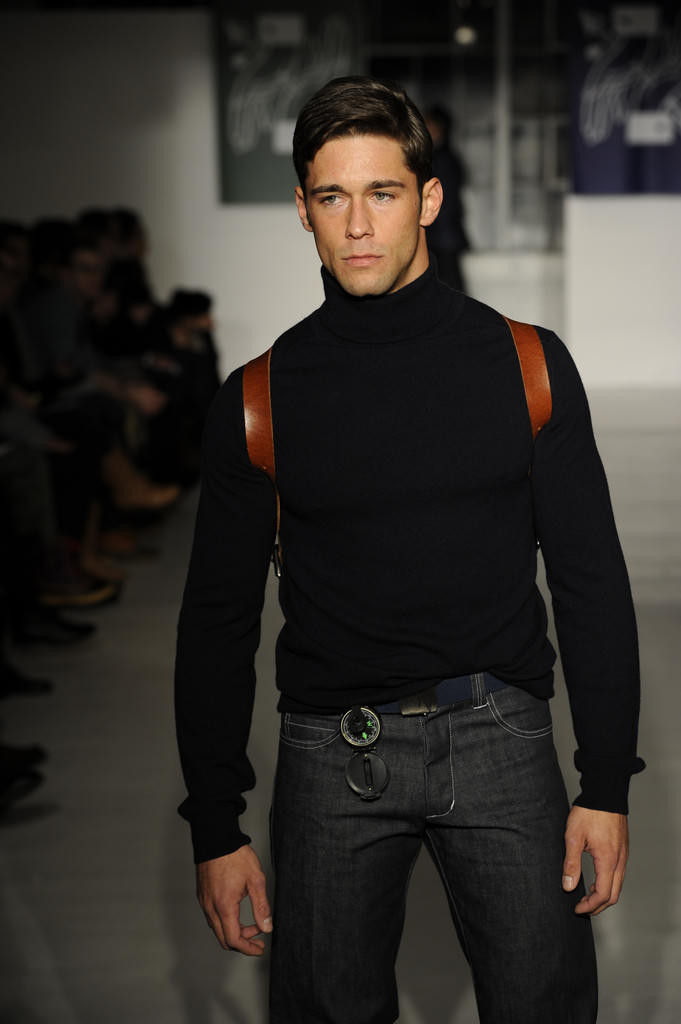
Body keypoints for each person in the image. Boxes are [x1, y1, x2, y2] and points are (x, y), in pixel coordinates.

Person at [175, 76, 644, 1023]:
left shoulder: (526, 366)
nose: (357, 224)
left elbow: (591, 584)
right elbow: (217, 623)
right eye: (331, 197)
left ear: (427, 199)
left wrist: (604, 784)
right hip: (329, 754)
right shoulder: (258, 400)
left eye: (381, 193)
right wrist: (215, 826)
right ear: (302, 209)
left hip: (501, 735)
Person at [424, 104, 470, 291]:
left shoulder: (442, 160)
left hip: (442, 237)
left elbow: (447, 203)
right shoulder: (445, 158)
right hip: (444, 236)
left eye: (428, 125)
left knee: (448, 289)